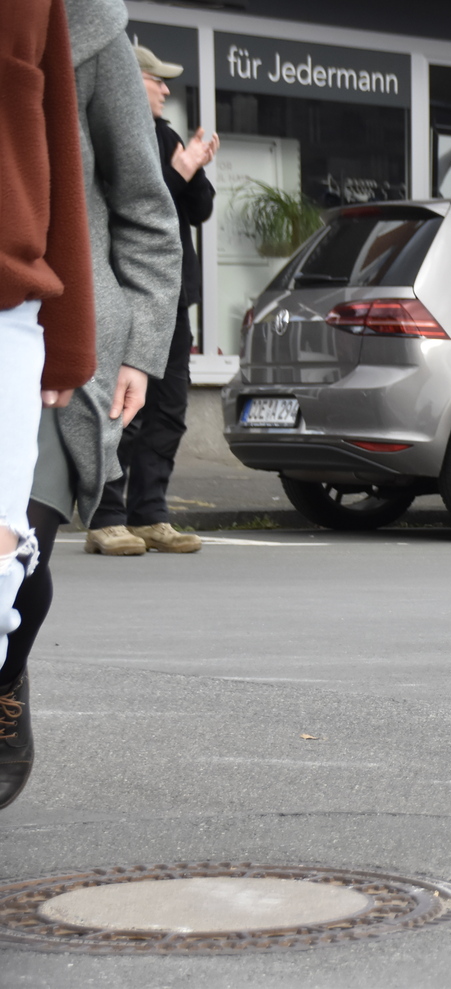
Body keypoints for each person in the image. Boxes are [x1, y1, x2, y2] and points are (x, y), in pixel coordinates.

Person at [2, 0, 179, 810]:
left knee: (20, 551)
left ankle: (5, 676)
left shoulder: (87, 30)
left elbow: (144, 201)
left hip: (48, 343)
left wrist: (141, 340)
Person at [0, 0, 97, 811]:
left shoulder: (72, 15)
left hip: (19, 310)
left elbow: (77, 160)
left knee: (16, 555)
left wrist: (88, 341)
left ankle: (4, 678)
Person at [86, 44, 217, 556]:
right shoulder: (111, 137)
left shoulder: (166, 135)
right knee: (123, 407)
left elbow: (200, 207)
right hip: (125, 290)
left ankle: (150, 515)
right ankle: (106, 517)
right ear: (124, 79)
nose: (166, 88)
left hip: (173, 295)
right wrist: (178, 173)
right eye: (155, 79)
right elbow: (128, 206)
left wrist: (193, 166)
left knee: (169, 409)